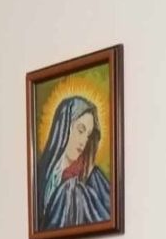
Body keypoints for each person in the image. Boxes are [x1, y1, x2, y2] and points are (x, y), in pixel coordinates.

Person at [36, 95, 111, 230]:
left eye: (88, 135)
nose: (84, 141)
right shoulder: (40, 174)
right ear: (64, 127)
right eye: (80, 130)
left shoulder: (93, 177)